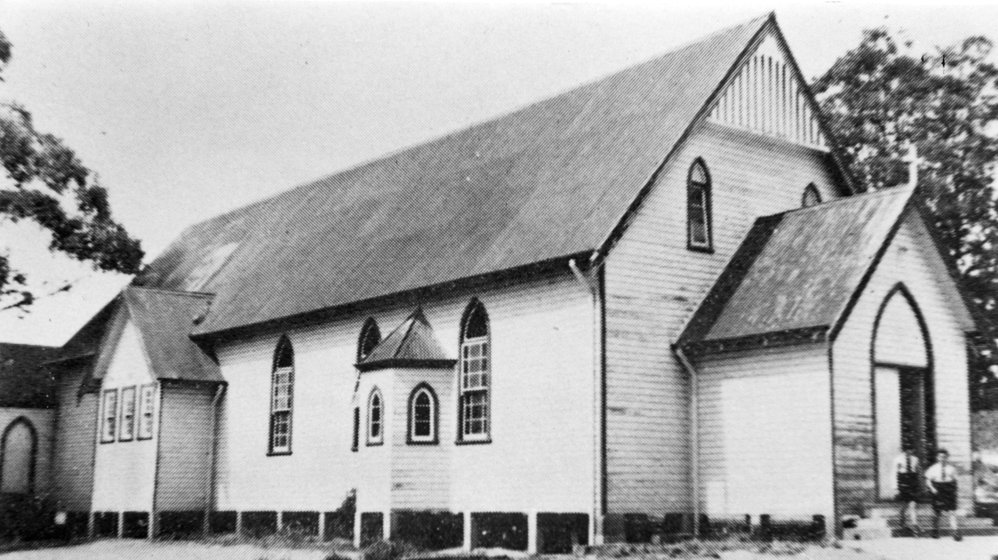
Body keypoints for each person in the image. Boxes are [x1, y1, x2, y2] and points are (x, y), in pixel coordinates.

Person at [925, 448, 961, 541]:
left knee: (952, 512)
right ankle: (935, 530)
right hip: (938, 489)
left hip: (948, 489)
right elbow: (928, 480)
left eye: (944, 457)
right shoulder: (933, 468)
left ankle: (955, 532)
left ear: (947, 457)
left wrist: (954, 490)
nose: (942, 458)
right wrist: (932, 489)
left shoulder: (951, 468)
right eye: (940, 457)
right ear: (937, 457)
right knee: (937, 512)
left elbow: (955, 480)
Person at [893, 445, 921, 534]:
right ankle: (902, 519)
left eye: (911, 450)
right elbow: (894, 474)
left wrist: (918, 485)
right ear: (904, 450)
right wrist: (895, 488)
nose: (909, 452)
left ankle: (915, 524)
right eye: (907, 450)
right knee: (904, 505)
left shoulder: (915, 459)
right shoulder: (898, 459)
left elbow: (918, 472)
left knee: (913, 504)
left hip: (912, 483)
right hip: (903, 482)